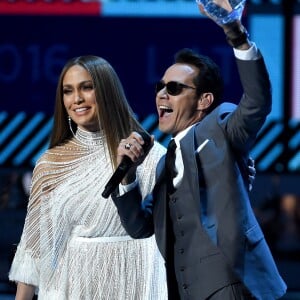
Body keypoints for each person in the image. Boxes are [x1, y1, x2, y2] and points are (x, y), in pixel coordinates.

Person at [110, 3, 287, 300]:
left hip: (231, 282)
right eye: (160, 86)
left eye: (175, 88)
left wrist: (236, 34)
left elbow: (257, 101)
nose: (162, 94)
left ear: (204, 100)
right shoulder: (163, 166)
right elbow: (140, 227)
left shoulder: (220, 127)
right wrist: (127, 176)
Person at [8, 55, 168, 299]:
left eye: (87, 87)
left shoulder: (150, 155)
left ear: (107, 92)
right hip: (69, 288)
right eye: (68, 91)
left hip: (136, 284)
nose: (77, 99)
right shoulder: (51, 164)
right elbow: (35, 250)